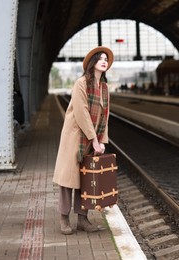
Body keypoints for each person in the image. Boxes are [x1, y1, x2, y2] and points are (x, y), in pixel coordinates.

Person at [53, 46, 114, 235]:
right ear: (92, 63)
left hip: (91, 137)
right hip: (75, 136)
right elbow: (82, 113)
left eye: (106, 59)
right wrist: (93, 138)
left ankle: (82, 218)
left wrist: (102, 140)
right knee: (68, 178)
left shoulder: (104, 87)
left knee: (86, 178)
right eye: (100, 58)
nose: (104, 61)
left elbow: (105, 115)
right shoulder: (81, 83)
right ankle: (64, 218)